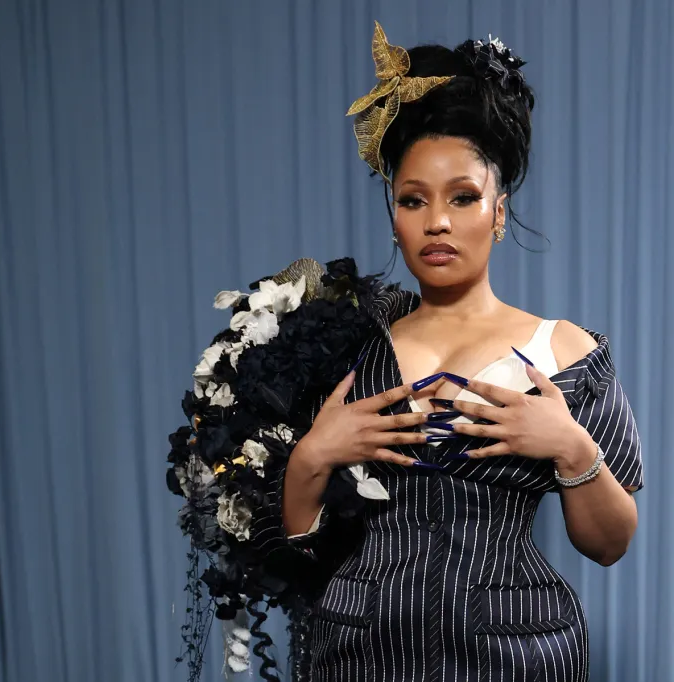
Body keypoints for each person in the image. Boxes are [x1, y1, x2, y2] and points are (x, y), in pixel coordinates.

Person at [267, 23, 643, 681]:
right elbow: (298, 557)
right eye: (413, 200)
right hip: (360, 655)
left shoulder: (564, 352)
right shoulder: (347, 349)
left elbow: (609, 545)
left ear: (498, 211)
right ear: (394, 218)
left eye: (463, 197)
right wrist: (311, 458)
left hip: (520, 654)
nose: (437, 221)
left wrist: (572, 449)